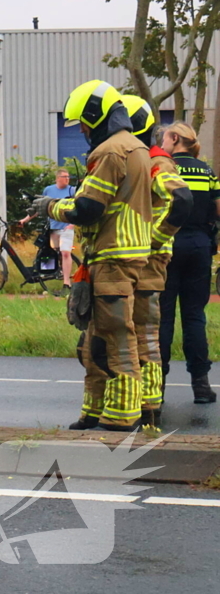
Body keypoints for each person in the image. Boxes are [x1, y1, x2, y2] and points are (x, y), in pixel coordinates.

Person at [32, 80, 153, 431]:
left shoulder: (111, 151)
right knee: (94, 338)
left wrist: (51, 206)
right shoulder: (137, 148)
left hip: (113, 256)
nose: (83, 131)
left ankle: (123, 416)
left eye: (83, 123)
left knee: (115, 336)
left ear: (95, 115)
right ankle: (95, 412)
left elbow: (88, 208)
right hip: (124, 256)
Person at [75, 96, 191, 428]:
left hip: (141, 258)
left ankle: (134, 407)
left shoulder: (153, 162)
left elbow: (180, 200)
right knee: (126, 335)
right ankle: (136, 407)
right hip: (140, 257)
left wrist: (155, 239)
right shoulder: (138, 160)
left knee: (124, 334)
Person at [158, 121, 220, 404]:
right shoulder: (206, 170)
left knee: (163, 316)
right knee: (195, 316)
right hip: (199, 246)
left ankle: (156, 387)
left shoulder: (165, 167)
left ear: (174, 138)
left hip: (167, 245)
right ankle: (201, 386)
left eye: (164, 137)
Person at [19, 169, 76, 292]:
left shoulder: (72, 190)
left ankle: (67, 283)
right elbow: (40, 208)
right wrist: (25, 220)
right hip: (53, 228)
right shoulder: (48, 190)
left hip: (66, 227)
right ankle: (54, 273)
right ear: (57, 178)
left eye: (68, 177)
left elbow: (78, 209)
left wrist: (72, 224)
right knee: (53, 253)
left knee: (66, 253)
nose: (67, 179)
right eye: (64, 177)